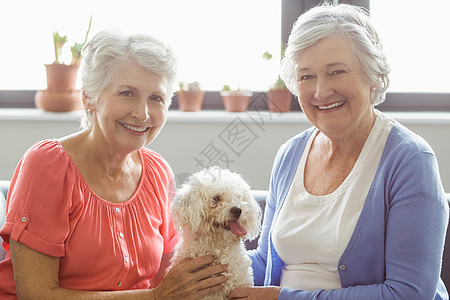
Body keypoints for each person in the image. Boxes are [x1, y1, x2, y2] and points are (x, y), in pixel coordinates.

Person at [228, 3, 449, 300]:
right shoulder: (290, 154)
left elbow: (407, 293)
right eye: (306, 76)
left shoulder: (410, 161)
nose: (320, 92)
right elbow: (267, 262)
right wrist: (208, 268)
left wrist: (281, 298)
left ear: (373, 76)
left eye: (336, 72)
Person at [0, 29, 227, 299]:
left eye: (156, 98)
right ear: (88, 98)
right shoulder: (47, 165)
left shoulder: (158, 172)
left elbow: (173, 279)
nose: (142, 114)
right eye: (127, 93)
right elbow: (36, 294)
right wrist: (156, 297)